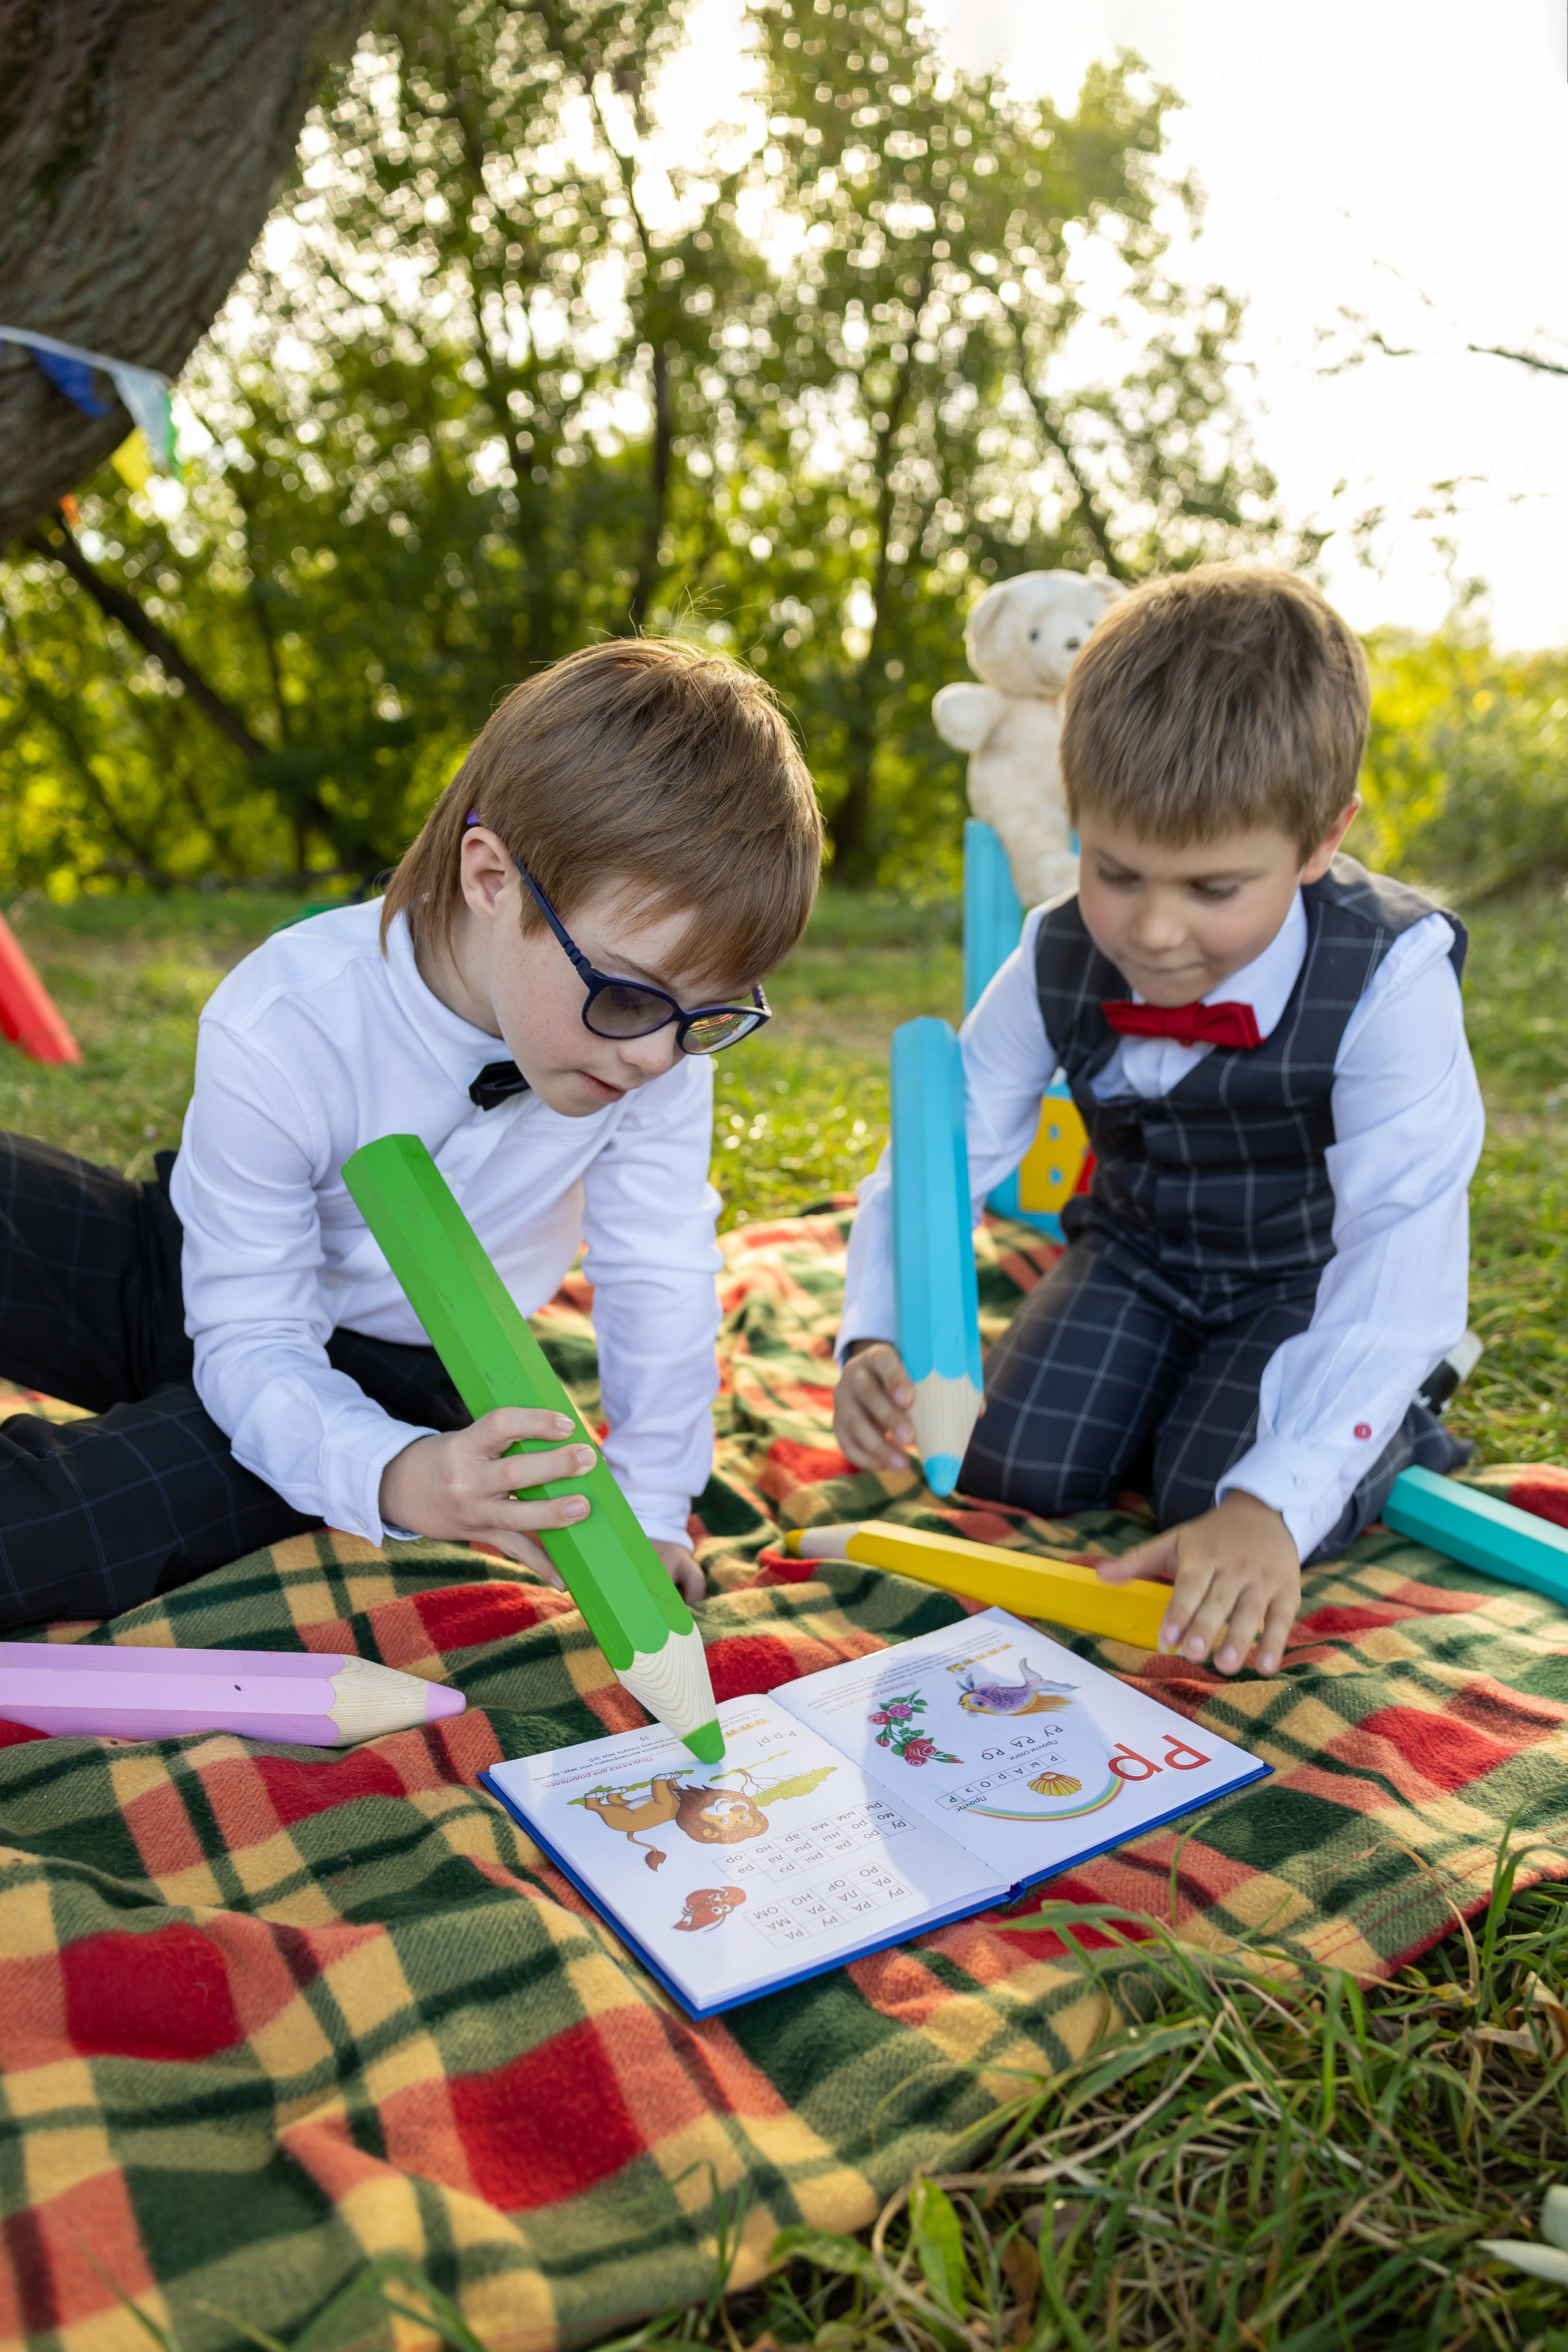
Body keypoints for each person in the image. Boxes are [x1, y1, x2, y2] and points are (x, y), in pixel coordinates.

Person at [0, 637, 822, 1631]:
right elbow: (249, 1325)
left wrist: (634, 1505)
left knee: (59, 1528)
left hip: (393, 1376)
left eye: (709, 1015)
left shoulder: (656, 1044)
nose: (658, 1057)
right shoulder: (287, 1018)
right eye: (626, 994)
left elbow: (659, 1268)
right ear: (490, 877)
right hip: (200, 1269)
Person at [835, 566, 1483, 1679]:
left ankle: (1410, 1400)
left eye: (1213, 889)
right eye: (1115, 870)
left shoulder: (1391, 973)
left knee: (1216, 1501)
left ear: (1322, 840)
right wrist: (880, 1329)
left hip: (1307, 1277)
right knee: (1010, 1463)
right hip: (1139, 1249)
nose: (1153, 930)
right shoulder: (1056, 948)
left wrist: (1275, 1505)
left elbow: (1401, 1240)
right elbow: (947, 1148)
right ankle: (1183, 1385)